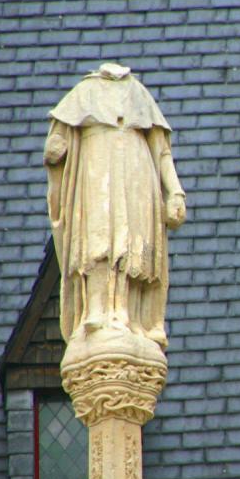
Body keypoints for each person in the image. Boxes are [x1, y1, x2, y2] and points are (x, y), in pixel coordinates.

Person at [44, 63, 185, 347]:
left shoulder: (138, 93)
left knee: (133, 244)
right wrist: (54, 149)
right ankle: (96, 310)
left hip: (137, 173)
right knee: (96, 240)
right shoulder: (84, 92)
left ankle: (127, 313)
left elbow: (161, 151)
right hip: (97, 171)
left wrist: (175, 192)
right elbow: (58, 138)